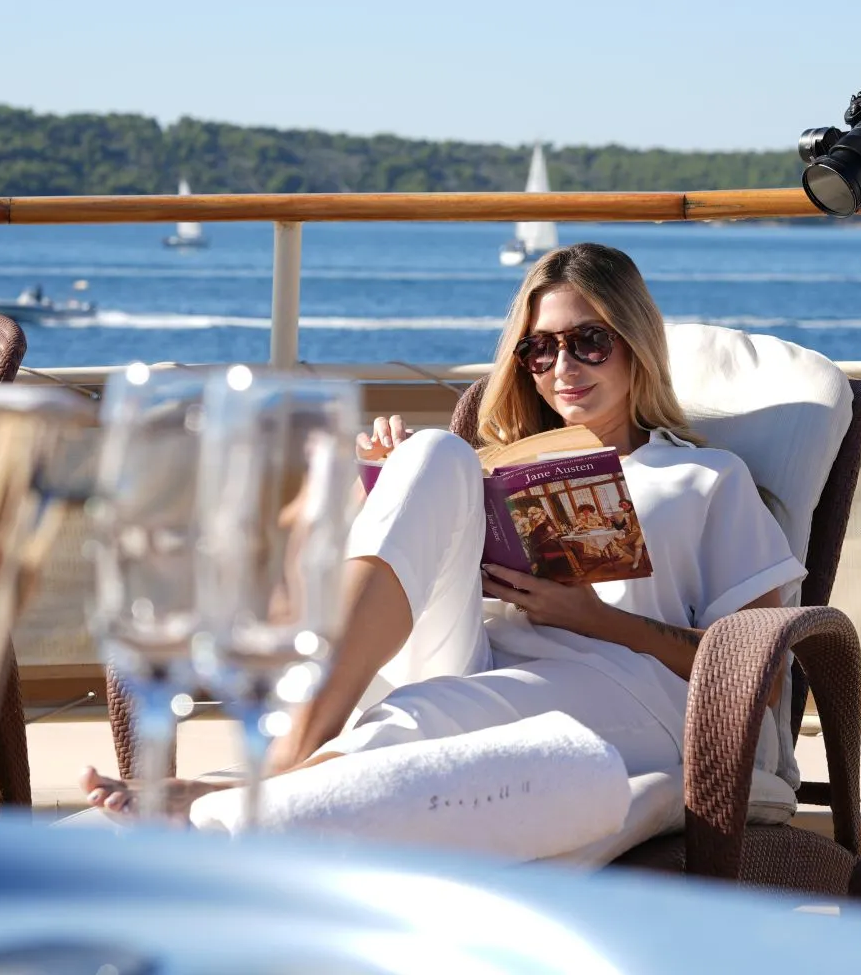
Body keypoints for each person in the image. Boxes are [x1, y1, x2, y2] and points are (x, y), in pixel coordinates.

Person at [83, 242, 802, 822]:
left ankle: (257, 788)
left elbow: (758, 679)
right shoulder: (493, 472)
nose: (563, 368)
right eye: (540, 350)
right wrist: (381, 485)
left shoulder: (709, 478)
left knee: (424, 713)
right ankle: (292, 752)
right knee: (432, 451)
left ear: (634, 344)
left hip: (634, 690)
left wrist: (596, 619)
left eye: (589, 342)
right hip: (485, 656)